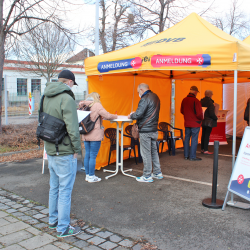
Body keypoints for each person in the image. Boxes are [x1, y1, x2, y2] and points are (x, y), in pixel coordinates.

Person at [43, 69, 81, 237]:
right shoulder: (67, 98)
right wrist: (77, 150)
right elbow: (73, 128)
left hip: (50, 148)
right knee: (65, 190)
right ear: (70, 82)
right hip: (65, 151)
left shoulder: (45, 96)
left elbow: (41, 121)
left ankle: (53, 221)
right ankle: (63, 228)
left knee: (54, 188)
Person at [79, 92, 117, 183]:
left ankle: (88, 175)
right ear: (96, 97)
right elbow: (107, 115)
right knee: (93, 156)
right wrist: (116, 116)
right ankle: (92, 176)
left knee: (87, 154)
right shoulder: (96, 105)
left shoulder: (82, 105)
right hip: (95, 133)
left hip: (85, 132)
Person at [128, 83, 163, 183]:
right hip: (154, 129)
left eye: (138, 92)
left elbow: (139, 114)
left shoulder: (144, 98)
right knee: (154, 152)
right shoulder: (155, 96)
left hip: (145, 130)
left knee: (146, 153)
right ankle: (157, 172)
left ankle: (147, 175)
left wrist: (131, 115)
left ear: (142, 90)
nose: (139, 94)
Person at [181, 86, 203, 161]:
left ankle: (186, 155)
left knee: (186, 139)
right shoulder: (196, 101)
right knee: (194, 139)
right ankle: (192, 156)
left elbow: (182, 110)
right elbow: (199, 114)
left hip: (187, 123)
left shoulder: (184, 100)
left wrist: (187, 116)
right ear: (195, 92)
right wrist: (201, 119)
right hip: (195, 123)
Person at [200, 90, 218, 154]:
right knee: (207, 135)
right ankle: (206, 150)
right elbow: (211, 113)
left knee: (203, 135)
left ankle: (202, 149)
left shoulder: (201, 101)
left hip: (202, 120)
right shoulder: (210, 103)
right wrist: (215, 118)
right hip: (209, 121)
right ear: (210, 95)